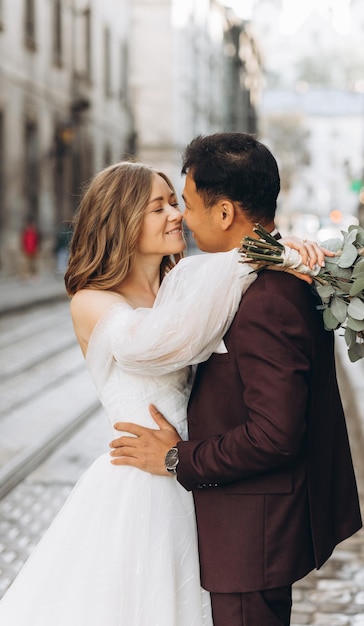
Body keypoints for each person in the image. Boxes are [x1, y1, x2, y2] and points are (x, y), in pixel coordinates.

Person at [0, 159, 323, 625]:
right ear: (123, 221)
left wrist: (279, 252)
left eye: (175, 202)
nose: (177, 215)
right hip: (141, 487)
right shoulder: (92, 301)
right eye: (159, 207)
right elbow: (161, 345)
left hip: (199, 476)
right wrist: (256, 255)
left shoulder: (184, 281)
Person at [110, 133, 363, 626]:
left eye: (185, 203)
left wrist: (173, 457)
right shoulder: (255, 274)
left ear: (224, 213)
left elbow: (276, 435)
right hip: (236, 529)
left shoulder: (267, 298)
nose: (181, 216)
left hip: (250, 537)